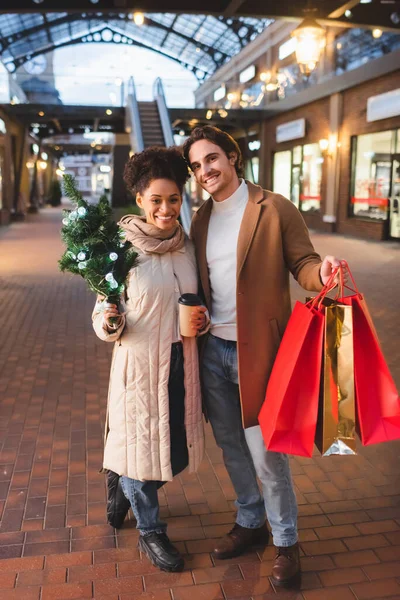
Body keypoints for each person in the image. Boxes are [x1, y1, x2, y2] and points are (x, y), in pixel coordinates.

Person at [183, 126, 342, 588]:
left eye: (211, 159)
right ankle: (251, 522)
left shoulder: (274, 208)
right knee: (232, 447)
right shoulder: (200, 219)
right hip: (214, 350)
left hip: (262, 353)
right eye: (196, 166)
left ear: (232, 157)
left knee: (267, 454)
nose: (205, 171)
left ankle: (287, 542)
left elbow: (303, 264)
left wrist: (323, 273)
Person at [92, 146, 207, 573]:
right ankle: (150, 529)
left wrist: (202, 319)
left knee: (169, 447)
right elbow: (102, 312)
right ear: (139, 199)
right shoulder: (120, 250)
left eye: (173, 199)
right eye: (156, 200)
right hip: (138, 368)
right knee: (140, 447)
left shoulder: (186, 246)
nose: (165, 209)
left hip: (181, 364)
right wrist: (109, 320)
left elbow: (197, 300)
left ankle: (120, 480)